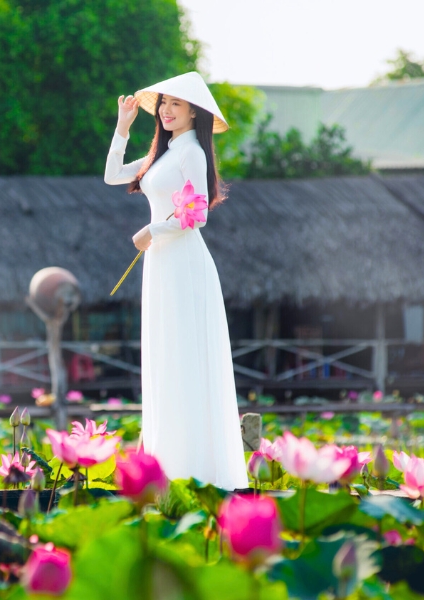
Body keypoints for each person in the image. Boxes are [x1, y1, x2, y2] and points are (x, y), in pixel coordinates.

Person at [104, 71, 249, 490]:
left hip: (183, 261)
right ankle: (166, 468)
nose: (167, 110)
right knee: (164, 355)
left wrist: (153, 232)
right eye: (164, 102)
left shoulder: (192, 154)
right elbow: (113, 175)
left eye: (176, 105)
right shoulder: (164, 153)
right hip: (161, 264)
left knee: (185, 357)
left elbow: (197, 215)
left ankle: (196, 471)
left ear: (193, 114)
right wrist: (122, 127)